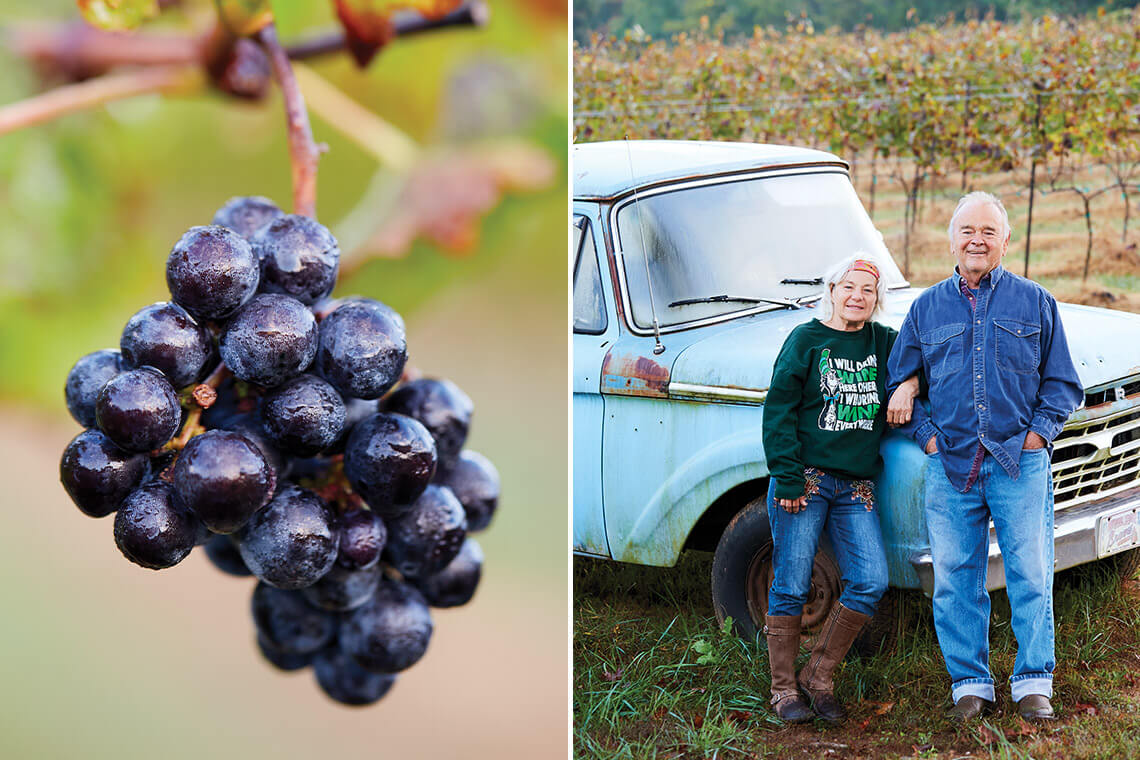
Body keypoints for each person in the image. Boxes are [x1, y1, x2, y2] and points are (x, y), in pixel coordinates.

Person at [886, 191, 1083, 722]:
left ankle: (1032, 682)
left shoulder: (1035, 301)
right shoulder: (927, 308)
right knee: (954, 576)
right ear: (952, 239)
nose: (977, 240)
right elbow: (897, 376)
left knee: (1031, 570)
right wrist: (926, 434)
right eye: (967, 230)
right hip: (950, 464)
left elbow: (1063, 383)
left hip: (1020, 461)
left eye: (988, 232)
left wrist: (1039, 435)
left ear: (1005, 241)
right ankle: (970, 684)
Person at [761, 255, 918, 723]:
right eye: (849, 287)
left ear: (877, 299)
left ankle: (819, 675)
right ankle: (783, 690)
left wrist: (907, 384)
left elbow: (923, 361)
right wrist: (786, 476)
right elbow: (779, 411)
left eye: (868, 290)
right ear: (831, 289)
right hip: (804, 480)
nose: (857, 297)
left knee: (870, 579)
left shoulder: (882, 341)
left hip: (856, 487)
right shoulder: (806, 340)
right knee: (790, 585)